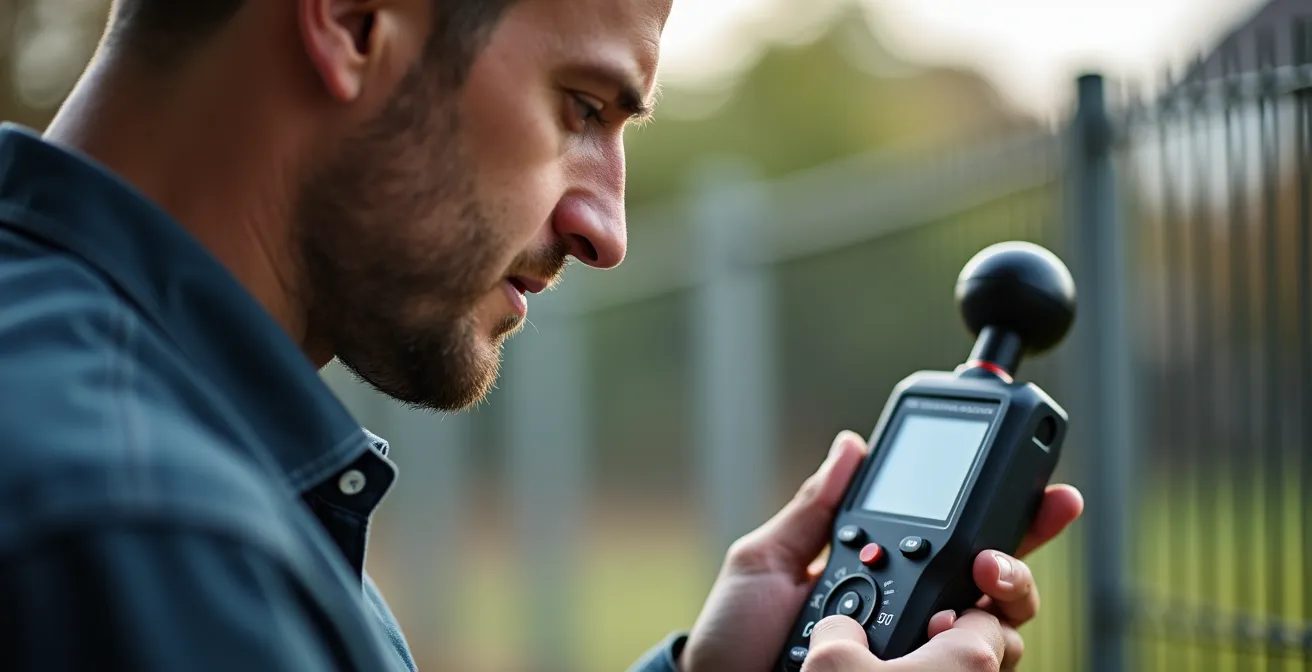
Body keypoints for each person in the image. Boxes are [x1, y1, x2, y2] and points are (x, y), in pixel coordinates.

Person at [0, 0, 1084, 670]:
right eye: (582, 108)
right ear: (349, 19)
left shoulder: (126, 432)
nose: (604, 228)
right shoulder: (151, 535)